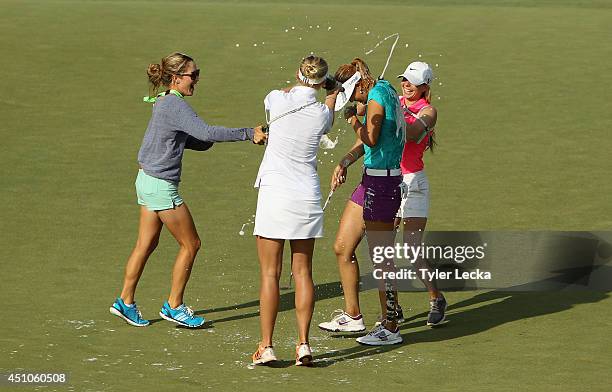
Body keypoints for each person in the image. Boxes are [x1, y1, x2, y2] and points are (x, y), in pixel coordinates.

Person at [109, 52, 266, 328]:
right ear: (175, 78)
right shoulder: (176, 106)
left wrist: (203, 142)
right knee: (191, 244)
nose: (196, 80)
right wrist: (247, 133)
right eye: (192, 75)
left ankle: (125, 301)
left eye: (197, 73)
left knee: (146, 244)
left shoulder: (164, 102)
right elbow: (205, 132)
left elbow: (179, 138)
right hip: (160, 186)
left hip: (145, 180)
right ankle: (174, 305)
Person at [251, 55, 341, 365]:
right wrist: (331, 88)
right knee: (303, 272)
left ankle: (267, 346)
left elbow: (282, 93)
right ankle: (304, 344)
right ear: (321, 81)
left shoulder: (277, 98)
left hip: (275, 194)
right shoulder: (321, 116)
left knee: (270, 274)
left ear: (299, 74)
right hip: (306, 197)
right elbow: (331, 100)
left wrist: (308, 84)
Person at [318, 58, 406, 346]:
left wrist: (353, 118)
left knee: (382, 258)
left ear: (358, 86)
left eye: (351, 95)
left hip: (383, 184)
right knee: (343, 246)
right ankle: (353, 316)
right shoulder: (379, 90)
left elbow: (370, 136)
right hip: (370, 180)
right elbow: (369, 143)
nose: (353, 100)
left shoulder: (378, 97)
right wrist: (344, 161)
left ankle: (390, 325)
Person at [396, 61, 447, 326]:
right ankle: (393, 307)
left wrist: (388, 114)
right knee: (381, 247)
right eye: (404, 80)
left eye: (412, 82)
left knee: (412, 250)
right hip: (389, 181)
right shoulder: (394, 102)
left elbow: (413, 134)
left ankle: (435, 298)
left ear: (425, 86)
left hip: (414, 183)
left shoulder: (428, 111)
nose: (406, 85)